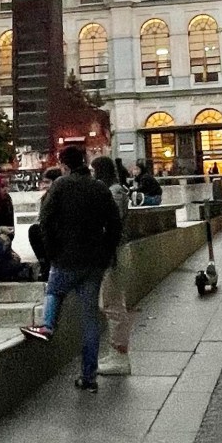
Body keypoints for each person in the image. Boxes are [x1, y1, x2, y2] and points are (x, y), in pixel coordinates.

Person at [20, 146, 122, 393]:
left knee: (54, 290)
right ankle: (89, 376)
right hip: (94, 262)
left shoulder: (60, 186)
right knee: (90, 320)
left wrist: (52, 253)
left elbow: (45, 220)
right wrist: (106, 251)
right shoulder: (99, 187)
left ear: (64, 165)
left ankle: (47, 326)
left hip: (66, 258)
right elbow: (115, 224)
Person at [92, 156, 132, 376]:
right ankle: (115, 351)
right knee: (110, 303)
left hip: (114, 253)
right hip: (114, 252)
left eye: (94, 171)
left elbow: (110, 221)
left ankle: (120, 356)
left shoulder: (115, 192)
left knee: (114, 304)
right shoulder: (115, 189)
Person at [27, 167, 63, 282]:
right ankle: (45, 265)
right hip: (50, 232)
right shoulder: (46, 198)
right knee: (34, 230)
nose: (44, 186)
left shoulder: (62, 197)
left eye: (48, 182)